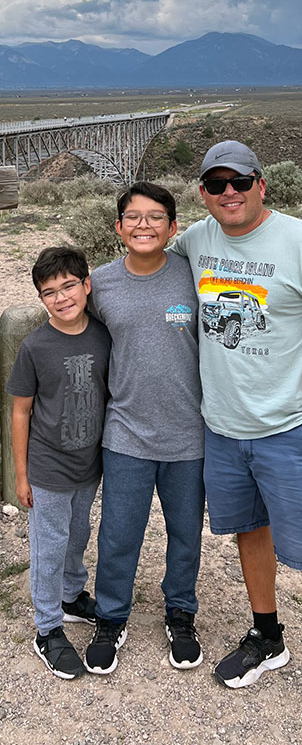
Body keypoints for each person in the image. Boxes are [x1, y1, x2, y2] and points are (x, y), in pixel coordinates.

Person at [171, 141, 302, 745]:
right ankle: (267, 635)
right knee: (248, 533)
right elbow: (147, 260)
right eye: (216, 183)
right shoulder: (197, 241)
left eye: (240, 181)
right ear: (202, 193)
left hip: (289, 431)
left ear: (263, 185)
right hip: (223, 430)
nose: (229, 193)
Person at [84, 180, 205, 676]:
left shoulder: (194, 276)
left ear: (173, 227)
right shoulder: (101, 284)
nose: (144, 226)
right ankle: (111, 617)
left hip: (189, 434)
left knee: (185, 534)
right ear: (118, 227)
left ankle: (181, 612)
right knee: (118, 533)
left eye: (156, 217)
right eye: (133, 217)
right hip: (126, 432)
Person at [6, 246, 111, 680]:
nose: (62, 297)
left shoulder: (103, 335)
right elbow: (20, 411)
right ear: (41, 299)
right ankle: (47, 628)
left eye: (69, 285)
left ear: (86, 285)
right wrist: (22, 474)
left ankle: (70, 597)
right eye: (50, 292)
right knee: (48, 547)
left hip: (89, 465)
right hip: (48, 468)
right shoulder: (35, 346)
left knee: (78, 534)